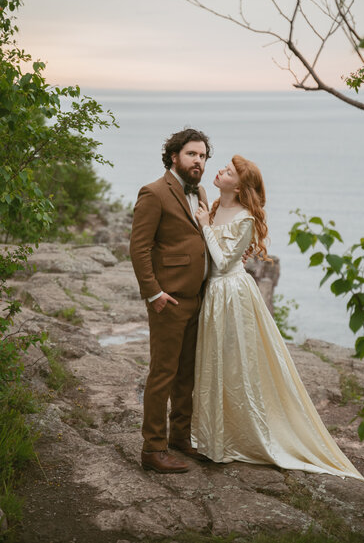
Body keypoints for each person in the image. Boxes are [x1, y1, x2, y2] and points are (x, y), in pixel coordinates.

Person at [192, 154, 364, 483]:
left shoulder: (244, 218)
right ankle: (212, 434)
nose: (220, 171)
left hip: (231, 294)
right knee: (214, 362)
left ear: (241, 186)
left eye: (228, 171)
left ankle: (238, 434)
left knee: (236, 365)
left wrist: (204, 227)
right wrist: (205, 215)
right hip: (213, 295)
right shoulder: (213, 205)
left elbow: (225, 261)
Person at [130, 128, 212, 474]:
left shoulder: (202, 192)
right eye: (192, 154)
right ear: (174, 156)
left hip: (198, 297)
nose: (199, 161)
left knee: (187, 375)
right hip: (168, 300)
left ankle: (181, 438)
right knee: (162, 374)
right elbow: (139, 247)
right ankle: (153, 449)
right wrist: (153, 293)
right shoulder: (153, 192)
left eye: (204, 156)